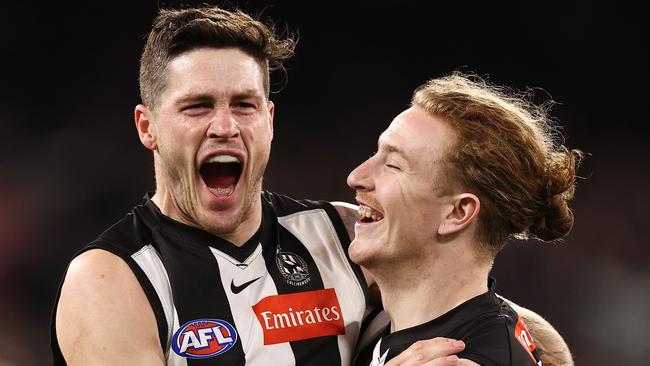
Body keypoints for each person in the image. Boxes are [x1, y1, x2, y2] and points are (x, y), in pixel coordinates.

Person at [50, 5, 571, 366]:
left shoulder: (341, 236)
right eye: (198, 106)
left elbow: (498, 320)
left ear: (269, 119)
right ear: (148, 127)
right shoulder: (111, 281)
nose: (225, 126)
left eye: (245, 105)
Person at [349, 73, 581, 366]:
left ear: (456, 213)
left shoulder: (460, 359)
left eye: (393, 165)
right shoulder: (384, 329)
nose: (356, 177)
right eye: (376, 153)